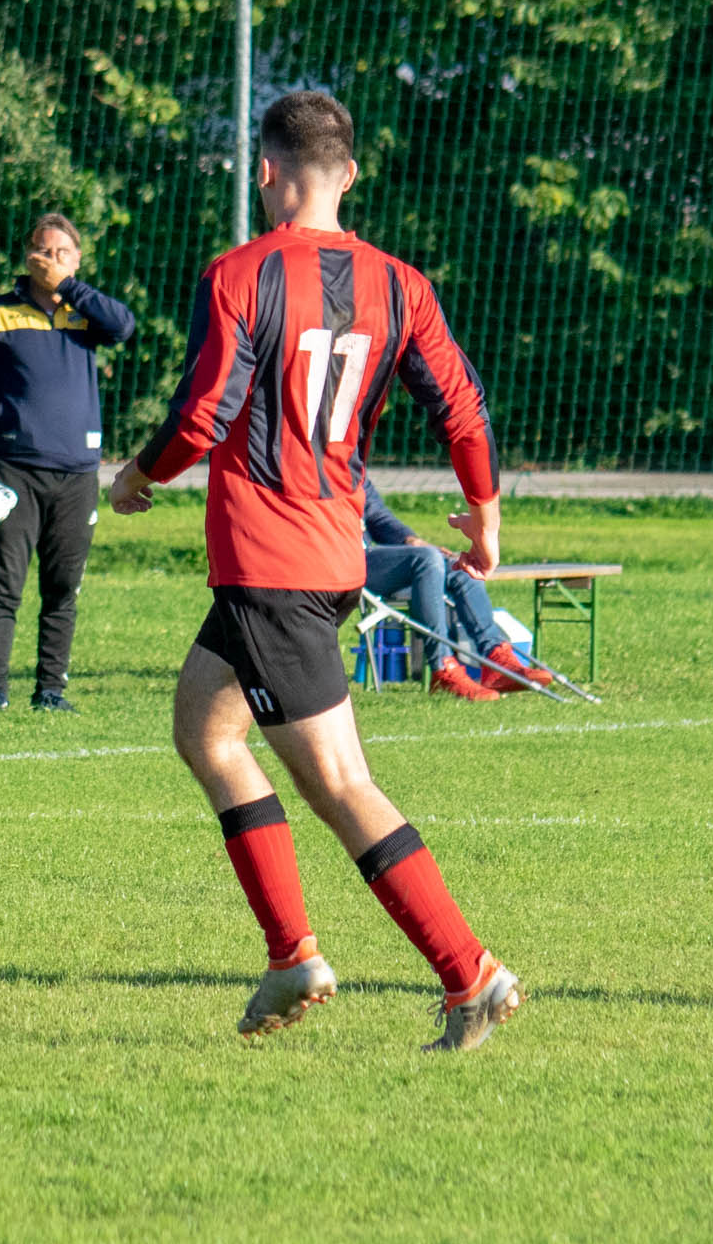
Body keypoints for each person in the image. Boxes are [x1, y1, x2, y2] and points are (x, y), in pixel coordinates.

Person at [107, 91, 522, 1053]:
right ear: (352, 173)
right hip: (329, 555)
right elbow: (461, 403)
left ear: (266, 171)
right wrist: (485, 511)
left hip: (269, 562)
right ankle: (290, 954)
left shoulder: (241, 273)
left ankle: (470, 972)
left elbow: (205, 411)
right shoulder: (401, 284)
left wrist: (140, 474)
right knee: (205, 726)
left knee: (340, 782)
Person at [0, 213, 136, 712]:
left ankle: (51, 691)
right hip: (13, 471)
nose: (51, 260)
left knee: (63, 588)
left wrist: (67, 286)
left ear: (76, 261)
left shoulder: (85, 313)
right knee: (4, 588)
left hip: (77, 474)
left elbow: (124, 326)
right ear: (28, 256)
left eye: (62, 253)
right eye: (43, 251)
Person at [360, 477, 551, 700]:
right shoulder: (323, 469)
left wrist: (412, 541)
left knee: (458, 565)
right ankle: (442, 667)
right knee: (426, 559)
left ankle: (496, 658)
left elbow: (378, 517)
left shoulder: (353, 466)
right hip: (345, 560)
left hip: (369, 557)